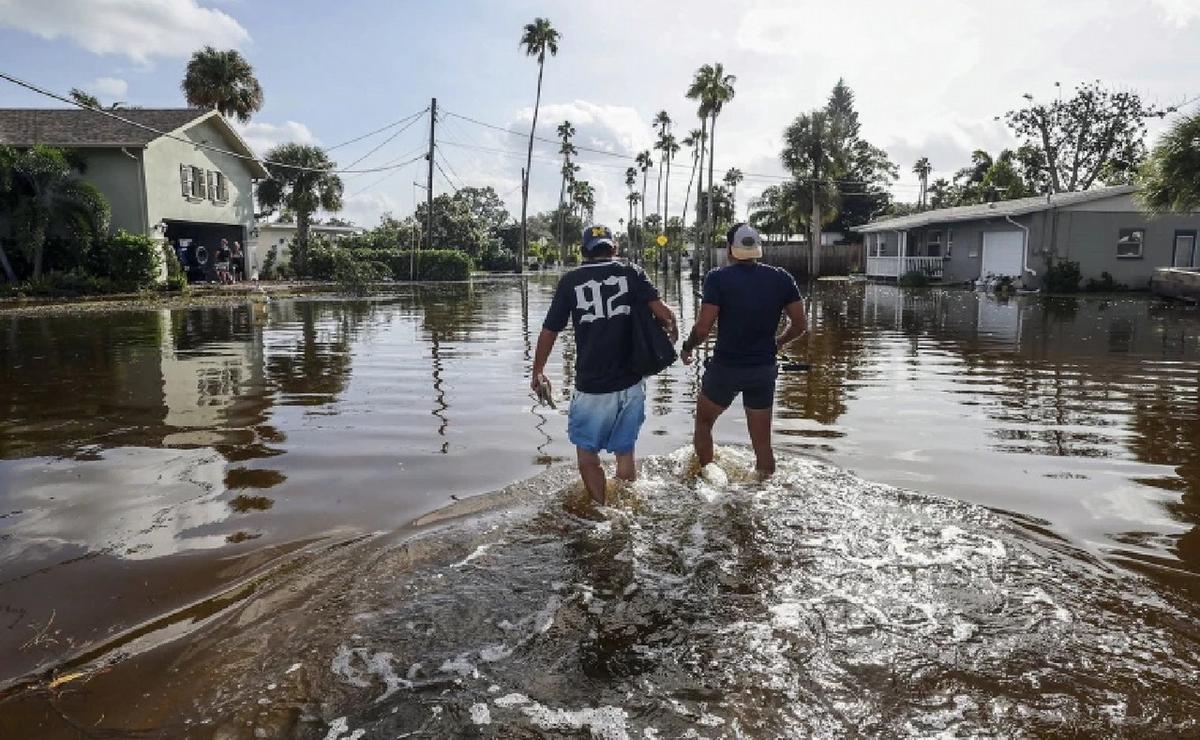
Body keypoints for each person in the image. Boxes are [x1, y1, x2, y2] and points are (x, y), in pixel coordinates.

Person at [532, 225, 678, 503]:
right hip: (632, 381)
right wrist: (673, 333)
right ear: (615, 248)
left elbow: (550, 331)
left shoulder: (570, 281)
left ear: (584, 251)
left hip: (592, 385)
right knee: (625, 452)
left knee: (588, 456)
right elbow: (665, 315)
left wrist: (538, 369)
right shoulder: (631, 272)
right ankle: (625, 506)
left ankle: (602, 510)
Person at [679, 223, 807, 476]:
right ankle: (764, 488)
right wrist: (778, 343)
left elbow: (703, 329)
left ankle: (707, 479)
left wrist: (687, 347)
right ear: (758, 248)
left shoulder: (718, 278)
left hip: (726, 369)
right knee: (762, 445)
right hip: (762, 370)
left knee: (704, 423)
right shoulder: (781, 278)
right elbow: (800, 324)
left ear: (730, 249)